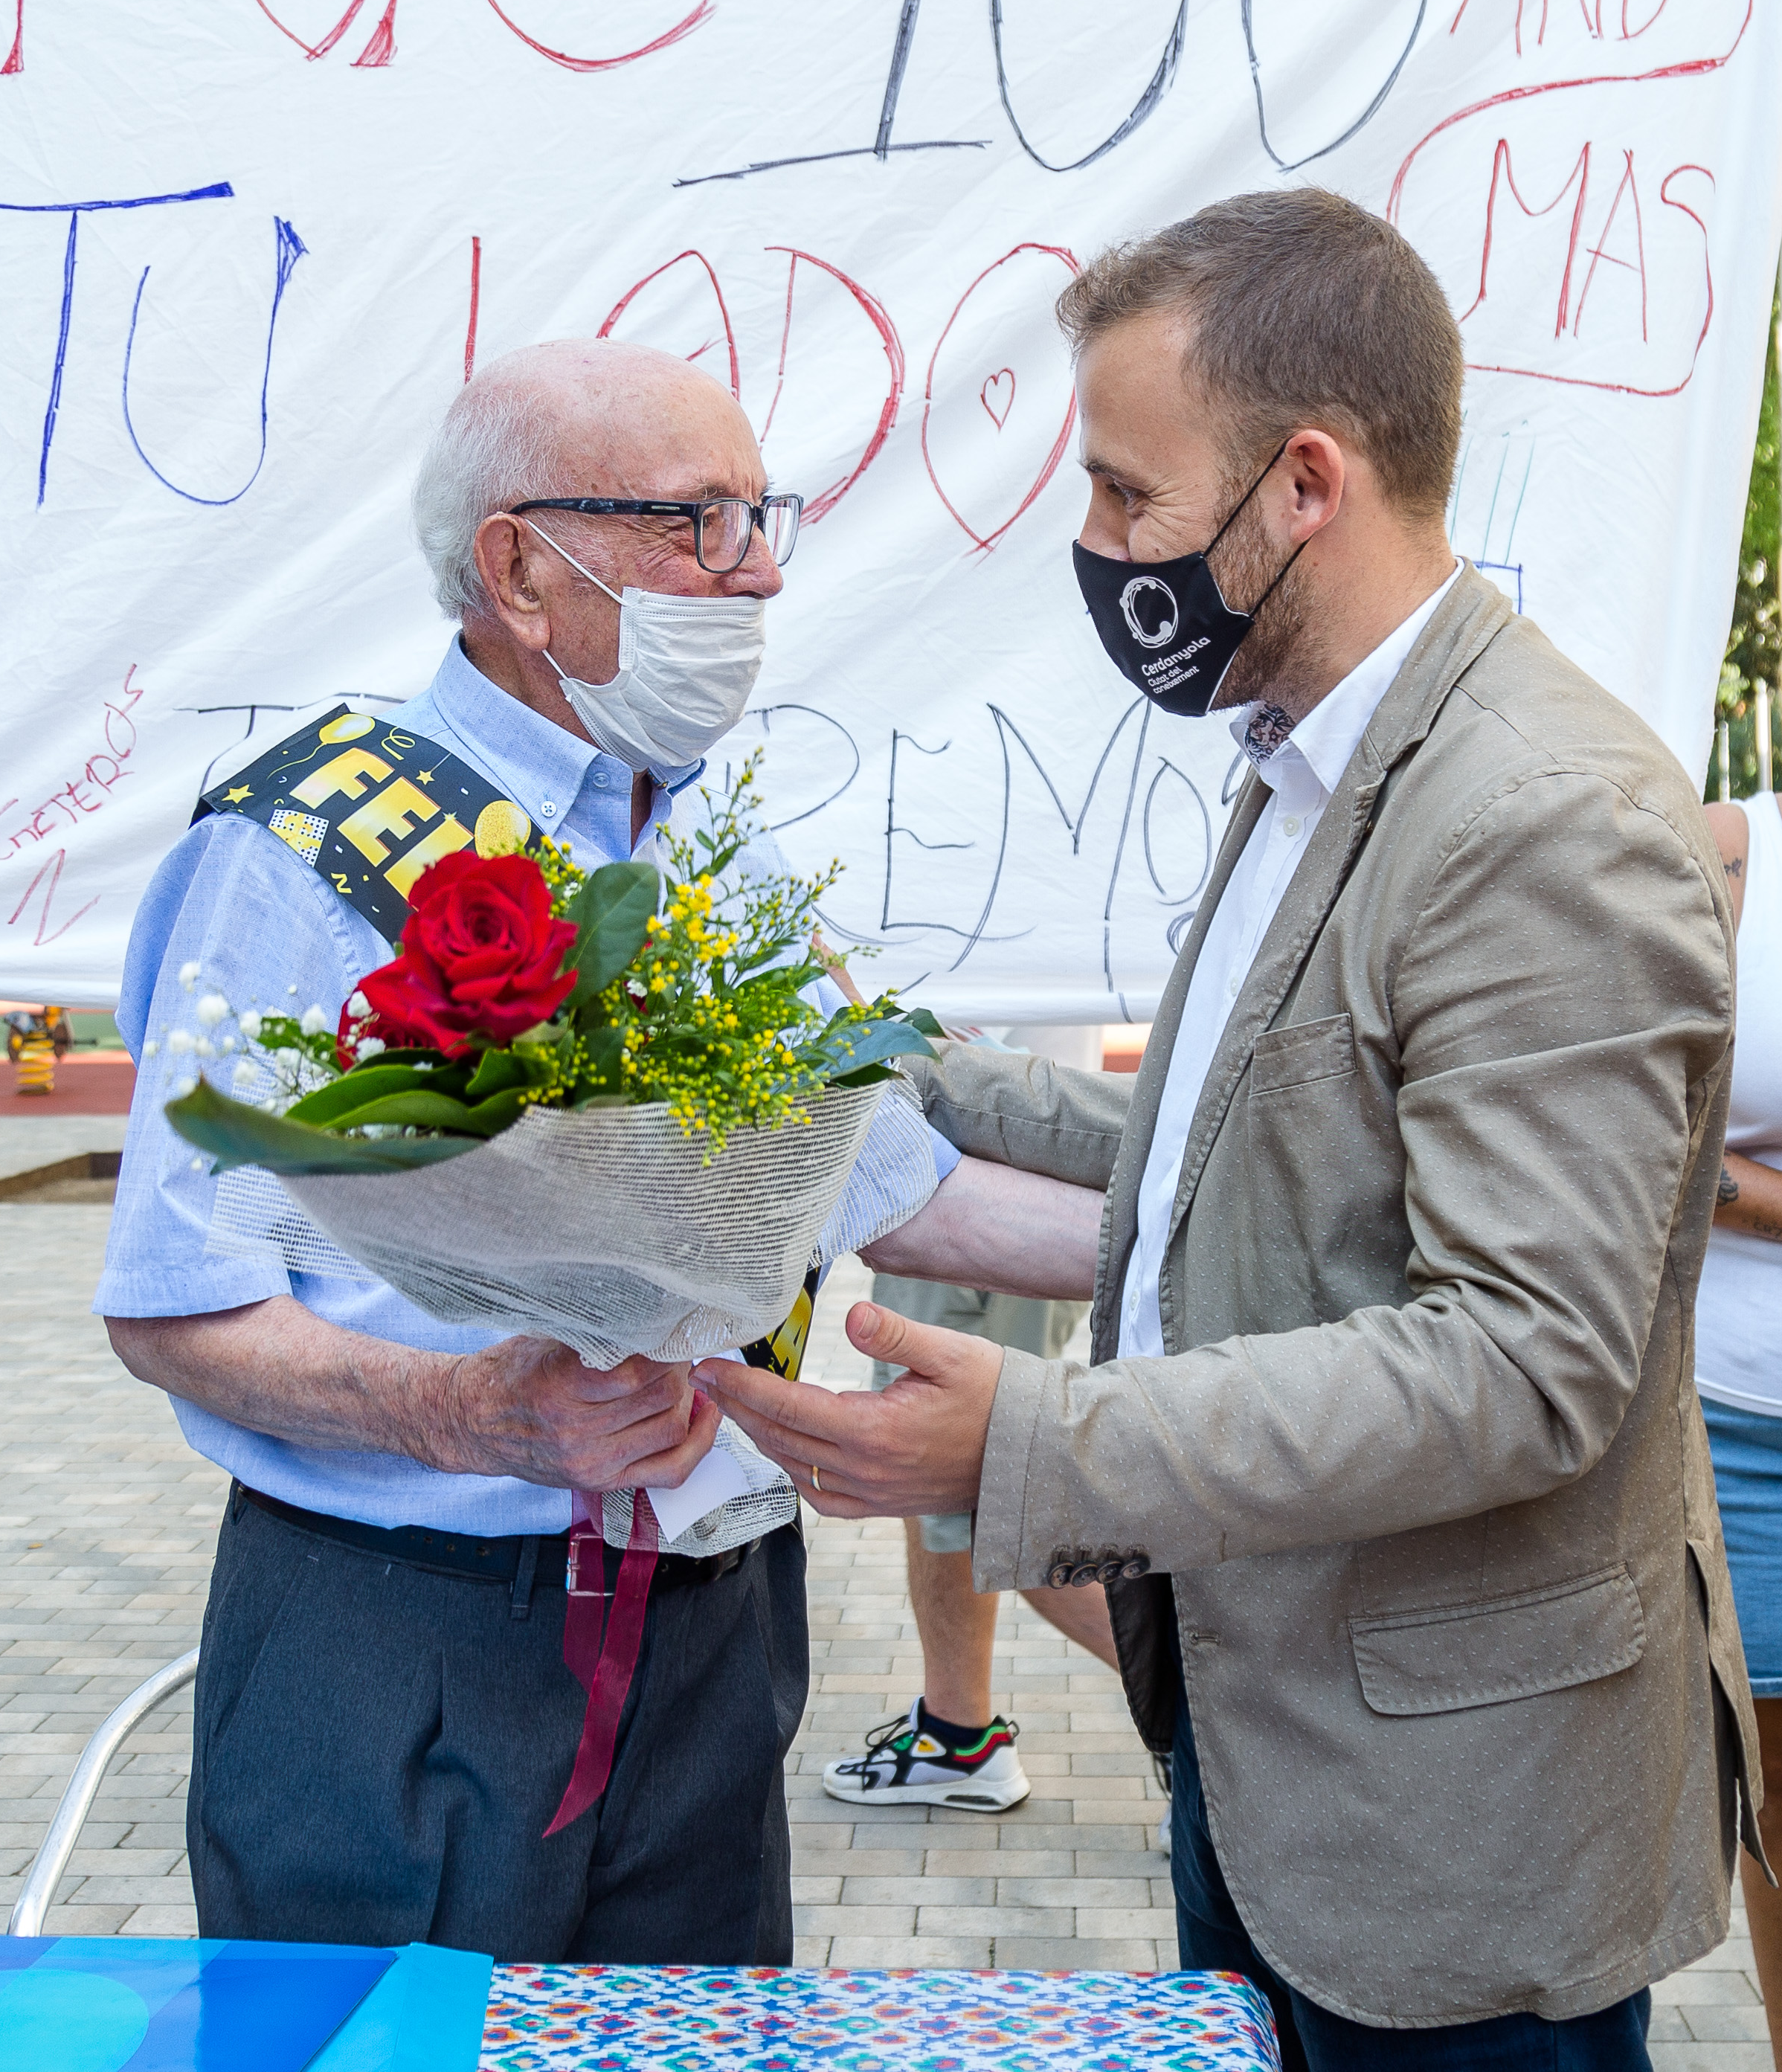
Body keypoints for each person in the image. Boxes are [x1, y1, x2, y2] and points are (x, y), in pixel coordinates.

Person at [708, 188, 1754, 2072]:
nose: (1099, 547)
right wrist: (854, 1046)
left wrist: (1040, 1434)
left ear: (1304, 484)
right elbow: (1222, 1145)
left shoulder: (1538, 818)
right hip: (1287, 1755)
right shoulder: (1315, 751)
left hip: (1454, 1823)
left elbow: (1527, 1360)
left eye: (1127, 493)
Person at [94, 338, 1066, 1966]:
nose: (754, 569)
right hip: (403, 1637)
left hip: (708, 1631)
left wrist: (1232, 1234)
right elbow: (171, 1306)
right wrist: (467, 1408)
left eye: (762, 516)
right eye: (697, 522)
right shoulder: (298, 849)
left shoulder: (700, 836)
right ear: (519, 570)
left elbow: (907, 1186)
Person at [824, 1238, 1121, 1814]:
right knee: (948, 1498)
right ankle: (958, 1737)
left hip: (967, 1209)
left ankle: (1205, 1727)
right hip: (945, 1212)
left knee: (1000, 1510)